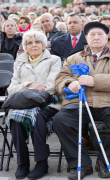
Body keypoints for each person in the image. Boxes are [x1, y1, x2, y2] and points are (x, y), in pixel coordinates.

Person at [53, 21, 110, 180]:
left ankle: (105, 162)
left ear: (107, 36)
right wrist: (70, 83)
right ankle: (81, 164)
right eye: (92, 35)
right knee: (61, 120)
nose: (96, 37)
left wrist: (94, 81)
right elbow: (60, 79)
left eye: (100, 34)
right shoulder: (73, 58)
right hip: (80, 102)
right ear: (86, 38)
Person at [7, 30, 61, 179]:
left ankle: (41, 162)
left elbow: (51, 86)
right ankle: (22, 163)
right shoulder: (19, 61)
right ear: (25, 46)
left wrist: (29, 89)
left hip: (47, 102)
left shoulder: (54, 60)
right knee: (15, 120)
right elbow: (11, 88)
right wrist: (30, 84)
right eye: (29, 42)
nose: (34, 45)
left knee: (37, 118)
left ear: (44, 45)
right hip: (23, 103)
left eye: (37, 42)